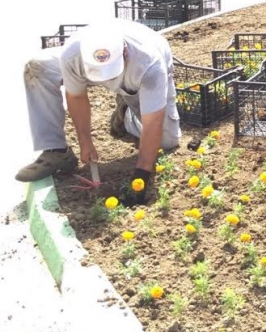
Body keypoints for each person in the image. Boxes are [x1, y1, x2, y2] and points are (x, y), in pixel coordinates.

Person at [15, 20, 182, 205]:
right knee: (37, 67)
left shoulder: (150, 64)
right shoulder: (73, 55)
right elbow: (76, 97)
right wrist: (85, 140)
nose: (106, 81)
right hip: (90, 65)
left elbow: (153, 123)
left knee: (168, 141)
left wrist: (141, 175)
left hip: (136, 78)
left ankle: (126, 113)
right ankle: (56, 150)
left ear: (125, 53)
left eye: (110, 74)